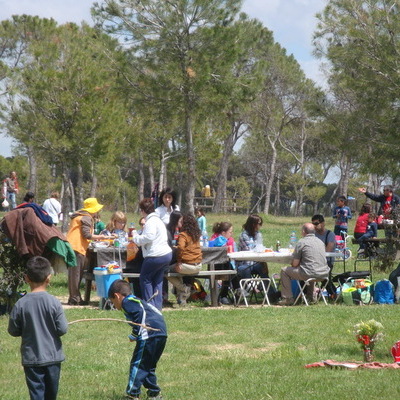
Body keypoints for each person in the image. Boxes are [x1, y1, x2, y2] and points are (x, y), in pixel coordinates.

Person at [8, 256, 68, 400]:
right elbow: (62, 329)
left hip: (32, 359)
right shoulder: (54, 302)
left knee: (36, 395)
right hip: (52, 358)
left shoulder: (20, 304)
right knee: (50, 395)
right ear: (49, 278)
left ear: (26, 278)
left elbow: (13, 330)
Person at [108, 279, 167, 400]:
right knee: (148, 365)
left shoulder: (127, 301)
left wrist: (135, 334)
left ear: (117, 296)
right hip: (161, 334)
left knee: (138, 364)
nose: (114, 306)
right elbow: (156, 313)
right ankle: (154, 393)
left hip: (148, 335)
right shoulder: (136, 300)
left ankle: (132, 394)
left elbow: (139, 315)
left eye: (113, 302)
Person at [66, 198, 109, 305]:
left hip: (72, 246)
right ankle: (75, 299)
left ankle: (74, 297)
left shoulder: (79, 215)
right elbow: (87, 235)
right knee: (76, 274)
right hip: (77, 247)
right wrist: (101, 236)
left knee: (74, 274)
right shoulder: (86, 217)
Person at [133, 198, 172, 310]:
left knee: (145, 279)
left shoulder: (150, 221)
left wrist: (136, 237)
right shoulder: (158, 220)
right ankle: (157, 307)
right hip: (166, 254)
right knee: (157, 280)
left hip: (156, 255)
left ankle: (149, 306)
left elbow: (149, 237)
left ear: (143, 210)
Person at [278, 223, 330, 306]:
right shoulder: (320, 242)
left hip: (309, 273)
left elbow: (295, 264)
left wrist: (292, 262)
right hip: (324, 273)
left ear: (303, 231)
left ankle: (288, 298)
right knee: (311, 267)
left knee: (284, 271)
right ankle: (310, 296)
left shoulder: (302, 242)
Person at [167, 214, 202, 306]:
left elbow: (181, 248)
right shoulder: (196, 234)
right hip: (198, 266)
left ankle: (184, 288)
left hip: (187, 266)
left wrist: (178, 261)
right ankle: (182, 300)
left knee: (164, 271)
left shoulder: (183, 234)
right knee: (177, 272)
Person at [209, 221, 238, 305]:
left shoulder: (231, 241)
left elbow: (233, 253)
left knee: (229, 268)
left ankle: (227, 294)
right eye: (230, 232)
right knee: (229, 269)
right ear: (223, 233)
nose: (231, 234)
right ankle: (234, 290)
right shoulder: (216, 240)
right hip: (215, 265)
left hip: (227, 264)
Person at [311, 214, 337, 298]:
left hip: (327, 262)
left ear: (323, 223)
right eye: (313, 224)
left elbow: (328, 251)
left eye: (316, 223)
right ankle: (307, 293)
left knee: (324, 278)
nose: (314, 226)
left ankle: (333, 293)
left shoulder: (330, 235)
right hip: (313, 261)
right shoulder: (313, 235)